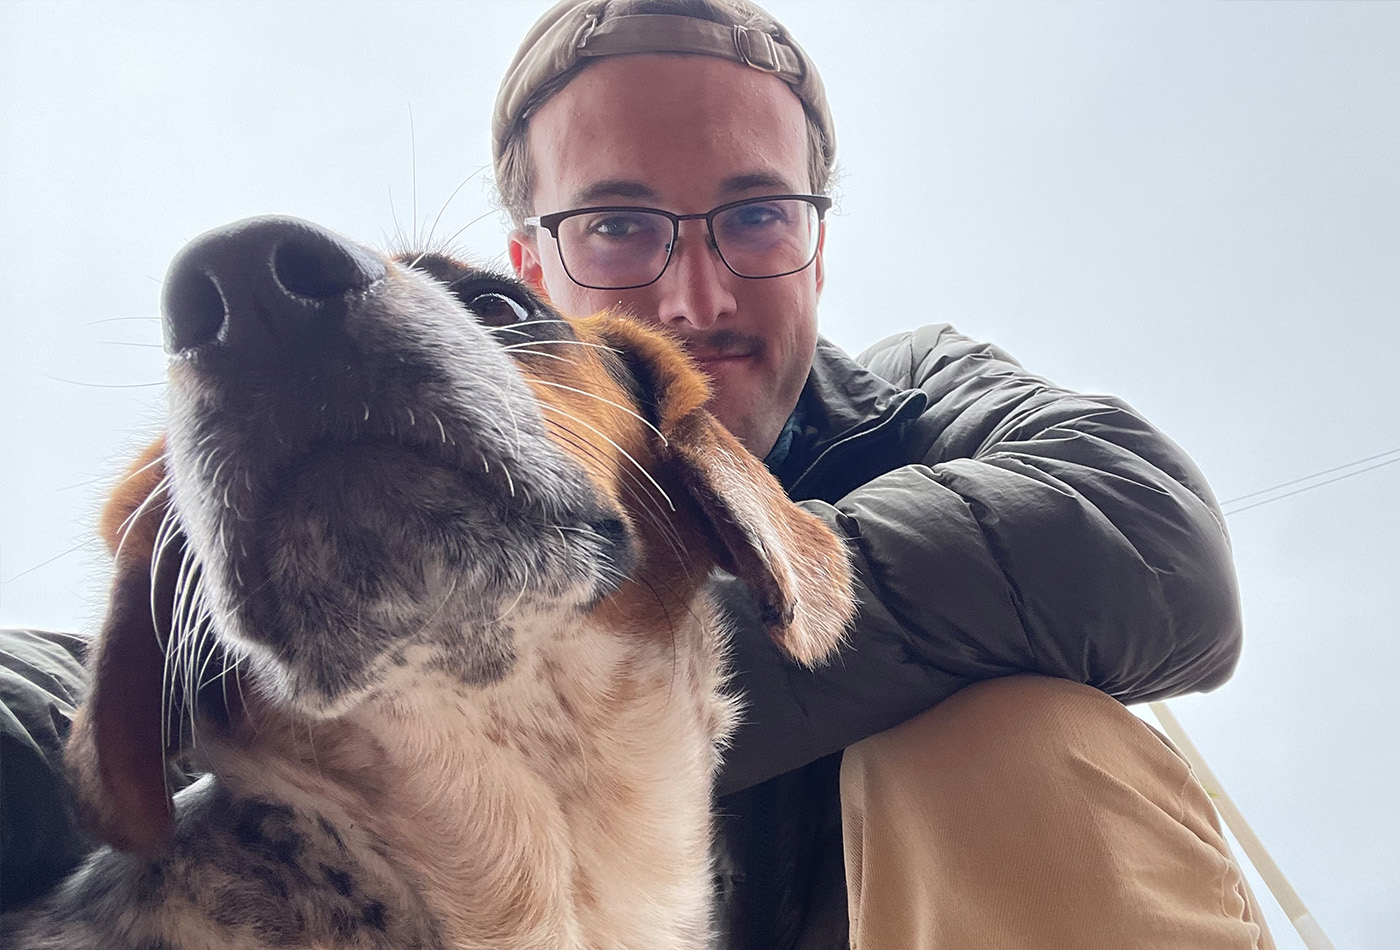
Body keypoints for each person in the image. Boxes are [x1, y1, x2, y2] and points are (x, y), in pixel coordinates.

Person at [0, 0, 1274, 947]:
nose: (693, 289)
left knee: (1016, 742)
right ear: (538, 260)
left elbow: (1152, 534)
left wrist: (642, 662)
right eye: (614, 223)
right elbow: (77, 679)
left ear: (817, 246)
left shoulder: (914, 393)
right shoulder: (421, 476)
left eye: (756, 214)